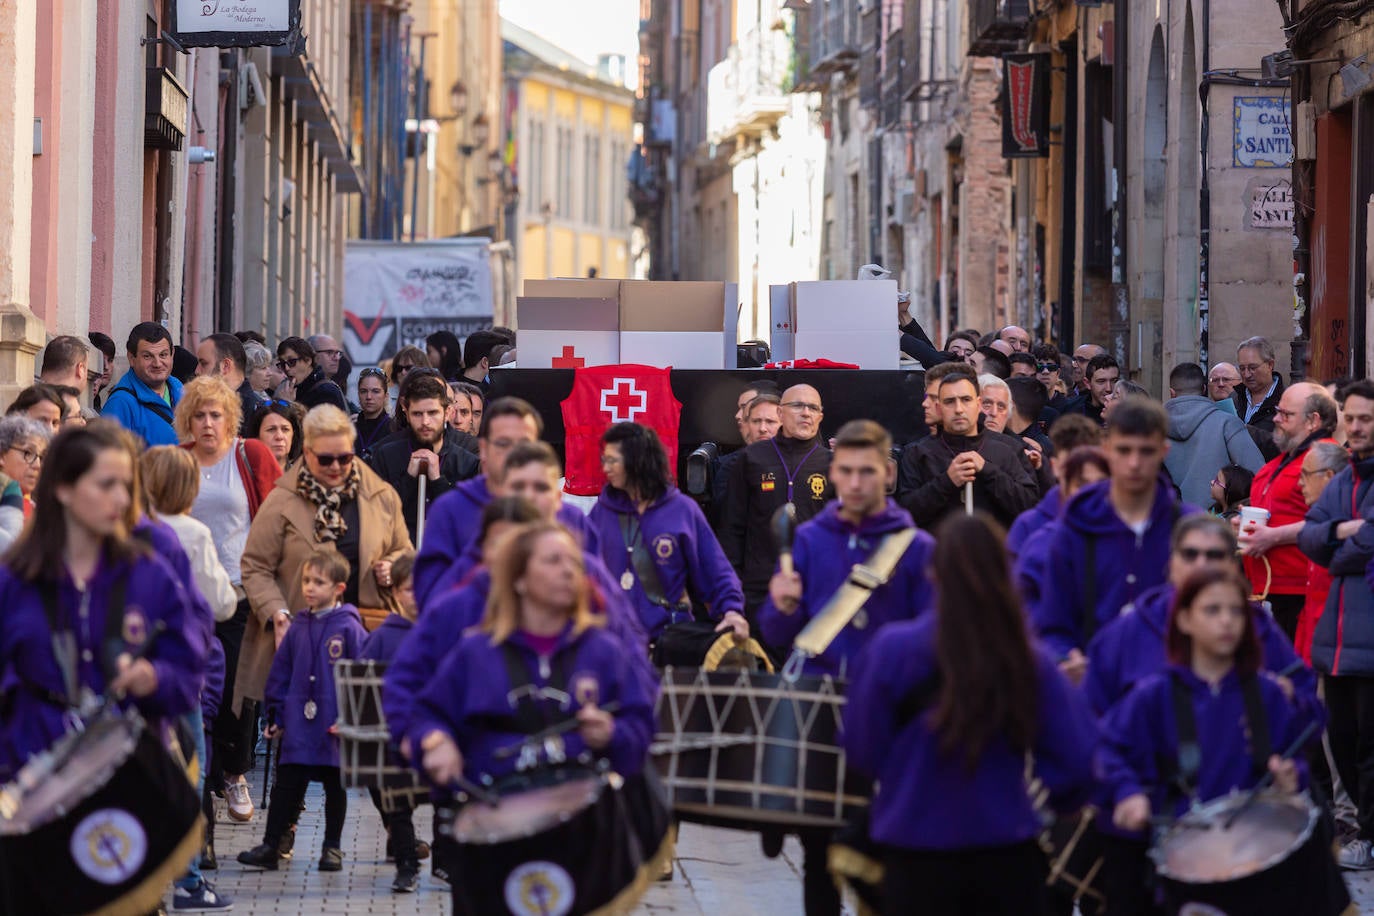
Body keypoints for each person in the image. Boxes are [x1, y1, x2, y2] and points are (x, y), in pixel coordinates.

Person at [844, 513, 1096, 916]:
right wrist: (1052, 802)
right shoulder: (1028, 659)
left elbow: (861, 750)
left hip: (913, 850)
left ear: (933, 574)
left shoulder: (890, 650)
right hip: (1004, 849)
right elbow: (1078, 763)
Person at [408, 521, 657, 911]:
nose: (568, 571)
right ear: (520, 579)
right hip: (494, 836)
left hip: (585, 838)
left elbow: (641, 728)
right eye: (553, 561)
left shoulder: (603, 651)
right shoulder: (476, 652)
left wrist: (612, 733)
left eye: (573, 562)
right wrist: (436, 742)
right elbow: (426, 714)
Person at [1096, 568, 1323, 910]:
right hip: (1182, 860)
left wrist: (1292, 779)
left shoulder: (1268, 694)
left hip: (1255, 855)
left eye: (1236, 611)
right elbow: (1108, 751)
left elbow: (1296, 755)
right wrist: (1127, 793)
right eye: (1212, 611)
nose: (1227, 621)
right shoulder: (1154, 695)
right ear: (1184, 620)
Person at [239, 405, 412, 726]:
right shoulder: (283, 499)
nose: (336, 467)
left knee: (363, 747)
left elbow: (405, 551)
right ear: (306, 452)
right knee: (300, 746)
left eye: (345, 458)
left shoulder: (381, 495)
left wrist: (393, 564)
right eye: (326, 459)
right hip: (303, 639)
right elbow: (255, 566)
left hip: (365, 636)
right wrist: (276, 613)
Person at [173, 376, 284, 825]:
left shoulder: (249, 454)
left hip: (240, 593)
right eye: (198, 415)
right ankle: (205, 777)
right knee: (196, 691)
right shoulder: (176, 461)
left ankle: (234, 772)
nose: (207, 423)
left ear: (230, 418)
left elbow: (279, 517)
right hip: (187, 597)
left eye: (215, 414)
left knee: (238, 693)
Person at [1035, 397, 1198, 683]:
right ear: (1107, 451)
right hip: (1095, 688)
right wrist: (1065, 658)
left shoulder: (1188, 528)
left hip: (1170, 693)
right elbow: (1053, 623)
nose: (1134, 463)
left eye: (1146, 451)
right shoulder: (1075, 529)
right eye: (1124, 450)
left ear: (1163, 451)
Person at [237, 548, 368, 872]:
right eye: (306, 580)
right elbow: (280, 673)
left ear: (338, 588)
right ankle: (271, 844)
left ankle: (332, 847)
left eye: (318, 582)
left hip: (332, 724)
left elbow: (362, 678)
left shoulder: (350, 628)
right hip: (298, 723)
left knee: (335, 788)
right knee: (285, 786)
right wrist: (276, 715)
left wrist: (352, 719)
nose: (309, 587)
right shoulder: (297, 626)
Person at [412, 397, 596, 608]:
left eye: (524, 444)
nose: (514, 454)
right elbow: (429, 596)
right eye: (503, 443)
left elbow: (599, 597)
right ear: (483, 449)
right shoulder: (451, 510)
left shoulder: (569, 517)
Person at [1299, 378, 1374, 868]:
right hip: (1339, 638)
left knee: (1371, 750)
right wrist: (1338, 533)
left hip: (1369, 640)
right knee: (1343, 743)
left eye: (1365, 419)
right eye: (1350, 418)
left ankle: (1370, 835)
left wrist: (1338, 544)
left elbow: (1364, 544)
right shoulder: (1344, 477)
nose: (1356, 427)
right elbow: (1310, 537)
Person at [589, 422, 747, 641]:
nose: (605, 468)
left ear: (638, 460)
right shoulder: (601, 511)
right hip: (612, 641)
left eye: (613, 460)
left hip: (666, 641)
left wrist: (732, 611)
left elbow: (716, 570)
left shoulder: (682, 510)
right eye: (604, 460)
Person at [720, 384, 833, 620]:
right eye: (798, 405)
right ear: (780, 414)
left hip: (815, 586)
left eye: (813, 407)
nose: (806, 412)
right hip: (760, 587)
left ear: (820, 416)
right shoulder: (752, 457)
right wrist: (733, 586)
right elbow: (733, 526)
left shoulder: (832, 463)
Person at [1240, 382, 1338, 641]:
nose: (1276, 419)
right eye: (1277, 411)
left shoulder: (1325, 459)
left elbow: (1335, 520)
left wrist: (1272, 536)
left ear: (1313, 421)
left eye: (1286, 414)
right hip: (1267, 589)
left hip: (1301, 592)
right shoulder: (1282, 460)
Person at [357, 552, 427, 892]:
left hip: (433, 736)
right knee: (397, 805)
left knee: (446, 805)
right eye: (409, 589)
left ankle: (446, 865)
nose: (417, 595)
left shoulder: (440, 634)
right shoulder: (384, 637)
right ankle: (406, 865)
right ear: (397, 592)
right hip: (394, 737)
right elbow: (360, 682)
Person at [899, 371, 1039, 528]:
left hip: (995, 549)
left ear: (978, 405)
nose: (958, 409)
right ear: (939, 408)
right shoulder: (918, 453)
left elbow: (1029, 507)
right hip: (939, 550)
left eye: (966, 400)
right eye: (950, 401)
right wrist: (946, 481)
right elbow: (906, 514)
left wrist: (988, 470)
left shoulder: (1008, 449)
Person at [367, 371, 479, 543]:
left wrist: (437, 481)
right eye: (417, 414)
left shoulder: (466, 462)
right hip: (399, 557)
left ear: (447, 412)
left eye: (433, 413)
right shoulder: (385, 455)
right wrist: (409, 479)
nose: (425, 421)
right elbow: (375, 514)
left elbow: (467, 521)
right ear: (406, 411)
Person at [1014, 446, 1111, 612]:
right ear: (1064, 484)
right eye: (1081, 484)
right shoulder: (1036, 539)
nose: (1091, 492)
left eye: (1101, 484)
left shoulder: (1126, 536)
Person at [1163, 361, 1264, 507]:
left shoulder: (1151, 428)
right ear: (1204, 389)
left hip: (1166, 519)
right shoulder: (1227, 423)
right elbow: (1259, 473)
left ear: (1172, 393)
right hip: (1213, 521)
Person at [1005, 414, 1102, 558]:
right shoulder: (1027, 526)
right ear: (1054, 466)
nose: (1077, 470)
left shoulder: (1113, 522)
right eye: (1069, 463)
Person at [1297, 441, 1347, 662]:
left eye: (1305, 474)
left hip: (1335, 656)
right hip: (1313, 650)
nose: (1300, 483)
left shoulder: (1345, 529)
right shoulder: (1321, 525)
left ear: (1328, 476)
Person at [101, 321, 183, 446]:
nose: (157, 363)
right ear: (131, 358)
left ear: (172, 354)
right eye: (147, 356)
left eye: (163, 355)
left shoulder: (182, 390)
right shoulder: (120, 403)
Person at [195, 332, 264, 435]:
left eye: (204, 363)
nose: (197, 371)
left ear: (225, 366)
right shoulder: (203, 404)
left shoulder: (257, 414)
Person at [275, 336, 347, 412]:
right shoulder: (285, 389)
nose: (286, 368)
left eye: (292, 362)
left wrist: (287, 405)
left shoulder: (326, 392)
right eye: (282, 364)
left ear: (308, 360)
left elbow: (317, 423)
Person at [0, 414, 50, 518]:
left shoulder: (37, 512)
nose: (37, 465)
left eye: (40, 457)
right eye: (28, 453)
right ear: (2, 454)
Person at [1234, 335, 1286, 432]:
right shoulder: (1234, 398)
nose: (1246, 374)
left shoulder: (1285, 400)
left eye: (1252, 368)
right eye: (1242, 369)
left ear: (1270, 365)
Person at [247, 399, 305, 470]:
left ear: (293, 435)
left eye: (285, 429)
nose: (279, 436)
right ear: (256, 436)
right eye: (271, 429)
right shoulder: (240, 476)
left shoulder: (304, 479)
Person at [353, 366, 392, 460]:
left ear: (385, 396)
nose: (369, 397)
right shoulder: (350, 429)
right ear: (358, 394)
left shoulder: (394, 428)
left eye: (375, 391)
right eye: (363, 391)